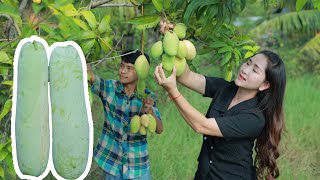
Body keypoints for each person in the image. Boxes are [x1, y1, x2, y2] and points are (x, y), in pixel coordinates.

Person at [154, 50, 286, 180]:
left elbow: (201, 126)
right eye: (248, 63)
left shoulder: (255, 118)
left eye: (255, 70)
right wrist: (174, 38)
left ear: (264, 85)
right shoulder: (225, 88)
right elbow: (186, 77)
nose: (245, 70)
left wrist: (173, 92)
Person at [87, 50, 163, 180]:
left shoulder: (146, 96)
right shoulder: (110, 88)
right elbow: (91, 76)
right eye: (122, 66)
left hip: (137, 165)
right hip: (111, 162)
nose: (122, 71)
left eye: (129, 68)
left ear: (141, 71)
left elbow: (159, 129)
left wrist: (149, 112)